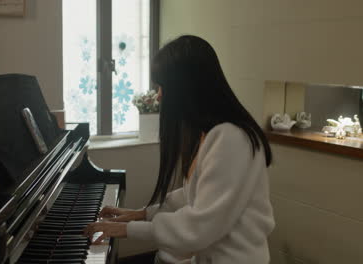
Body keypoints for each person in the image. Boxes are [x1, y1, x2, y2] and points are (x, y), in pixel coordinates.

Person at [83, 35, 275, 264]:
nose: (159, 95)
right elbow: (194, 193)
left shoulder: (231, 138)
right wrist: (142, 214)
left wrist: (129, 229)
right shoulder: (209, 132)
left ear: (186, 86)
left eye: (163, 86)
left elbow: (199, 227)